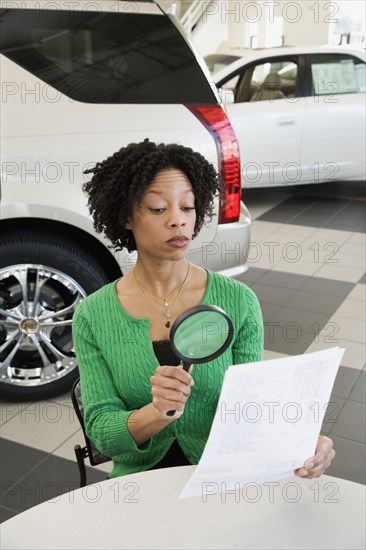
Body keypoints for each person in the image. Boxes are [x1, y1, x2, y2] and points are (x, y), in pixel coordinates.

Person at [72, 138, 335, 480]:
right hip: (139, 485)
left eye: (187, 207)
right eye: (157, 209)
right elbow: (102, 432)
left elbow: (249, 410)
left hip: (222, 476)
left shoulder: (238, 300)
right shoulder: (93, 315)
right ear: (125, 216)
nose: (178, 222)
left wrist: (301, 441)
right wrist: (155, 413)